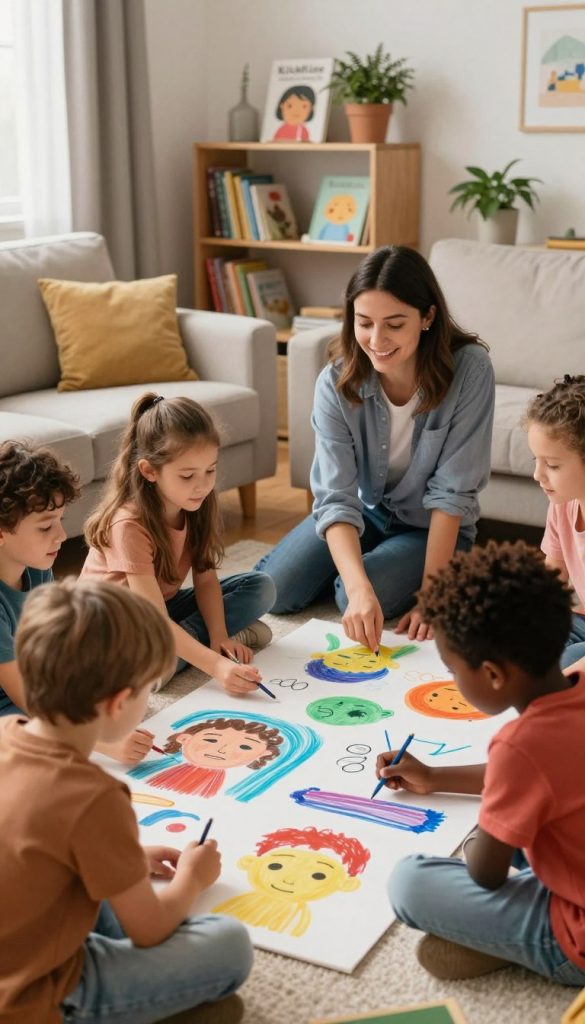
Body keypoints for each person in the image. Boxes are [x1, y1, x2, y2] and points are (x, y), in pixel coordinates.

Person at [0, 577, 252, 1024]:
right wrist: (192, 879)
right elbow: (150, 930)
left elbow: (31, 841)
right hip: (34, 994)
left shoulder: (6, 734)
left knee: (112, 901)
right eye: (149, 688)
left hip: (19, 935)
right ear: (119, 703)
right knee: (229, 944)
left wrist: (123, 858)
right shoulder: (93, 796)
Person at [256, 245, 495, 647]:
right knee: (275, 590)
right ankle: (361, 568)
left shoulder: (470, 370)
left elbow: (452, 495)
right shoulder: (335, 383)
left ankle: (449, 570)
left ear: (427, 317)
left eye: (394, 324)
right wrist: (359, 586)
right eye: (364, 323)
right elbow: (335, 497)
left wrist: (434, 595)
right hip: (367, 513)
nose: (377, 340)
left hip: (429, 527)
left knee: (346, 595)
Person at [382, 541, 585, 986]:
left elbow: (487, 875)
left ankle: (522, 947)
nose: (453, 681)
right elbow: (549, 777)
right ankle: (496, 939)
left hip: (577, 934)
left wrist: (480, 841)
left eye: (453, 671)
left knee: (410, 881)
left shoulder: (520, 746)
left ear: (492, 674)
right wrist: (433, 777)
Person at [82, 393, 275, 696]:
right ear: (149, 471)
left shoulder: (196, 503)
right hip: (112, 632)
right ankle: (165, 659)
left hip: (158, 611)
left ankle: (181, 651)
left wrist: (219, 636)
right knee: (156, 664)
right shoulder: (128, 524)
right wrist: (216, 665)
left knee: (260, 587)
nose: (203, 485)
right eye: (187, 476)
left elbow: (206, 580)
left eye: (210, 470)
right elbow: (154, 618)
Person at [0, 440, 148, 765]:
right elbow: (23, 694)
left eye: (60, 520)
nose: (61, 535)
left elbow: (55, 646)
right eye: (45, 526)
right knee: (27, 738)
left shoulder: (36, 566)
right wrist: (101, 740)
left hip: (31, 681)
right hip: (10, 703)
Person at [525, 374, 585, 675]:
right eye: (536, 460)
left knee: (565, 665)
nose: (538, 475)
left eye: (552, 465)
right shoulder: (562, 505)